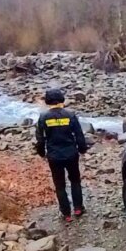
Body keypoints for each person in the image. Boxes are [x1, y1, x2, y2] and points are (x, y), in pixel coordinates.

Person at [35, 88, 88, 221]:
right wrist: (82, 149)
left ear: (48, 101)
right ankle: (78, 208)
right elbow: (79, 135)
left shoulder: (43, 117)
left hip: (54, 156)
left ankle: (66, 214)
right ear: (62, 99)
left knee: (60, 185)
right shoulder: (70, 115)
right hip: (71, 153)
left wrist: (41, 152)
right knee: (75, 180)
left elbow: (40, 138)